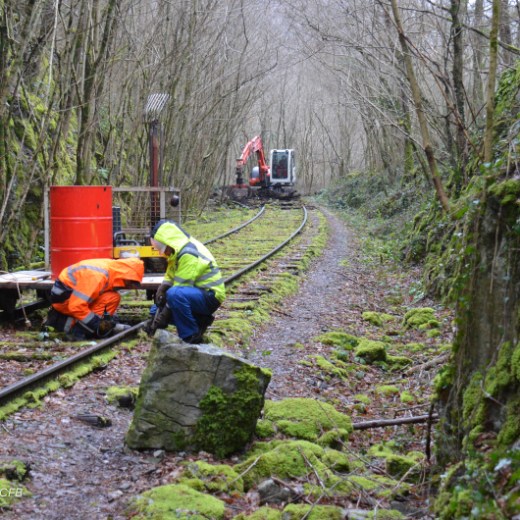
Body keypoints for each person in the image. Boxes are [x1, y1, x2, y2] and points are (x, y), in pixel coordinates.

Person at [148, 219, 225, 343]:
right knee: (155, 308)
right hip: (195, 293)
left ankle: (191, 336)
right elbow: (171, 276)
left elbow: (180, 287)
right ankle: (200, 320)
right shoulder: (176, 251)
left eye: (161, 250)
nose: (162, 254)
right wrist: (162, 291)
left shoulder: (188, 253)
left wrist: (164, 314)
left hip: (210, 295)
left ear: (168, 243)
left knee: (174, 296)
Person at [45, 257, 144, 340]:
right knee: (106, 302)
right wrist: (96, 323)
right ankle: (79, 330)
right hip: (65, 302)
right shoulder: (97, 277)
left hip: (72, 297)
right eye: (132, 284)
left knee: (113, 297)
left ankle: (97, 328)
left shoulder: (111, 270)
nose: (130, 287)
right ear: (127, 277)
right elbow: (76, 306)